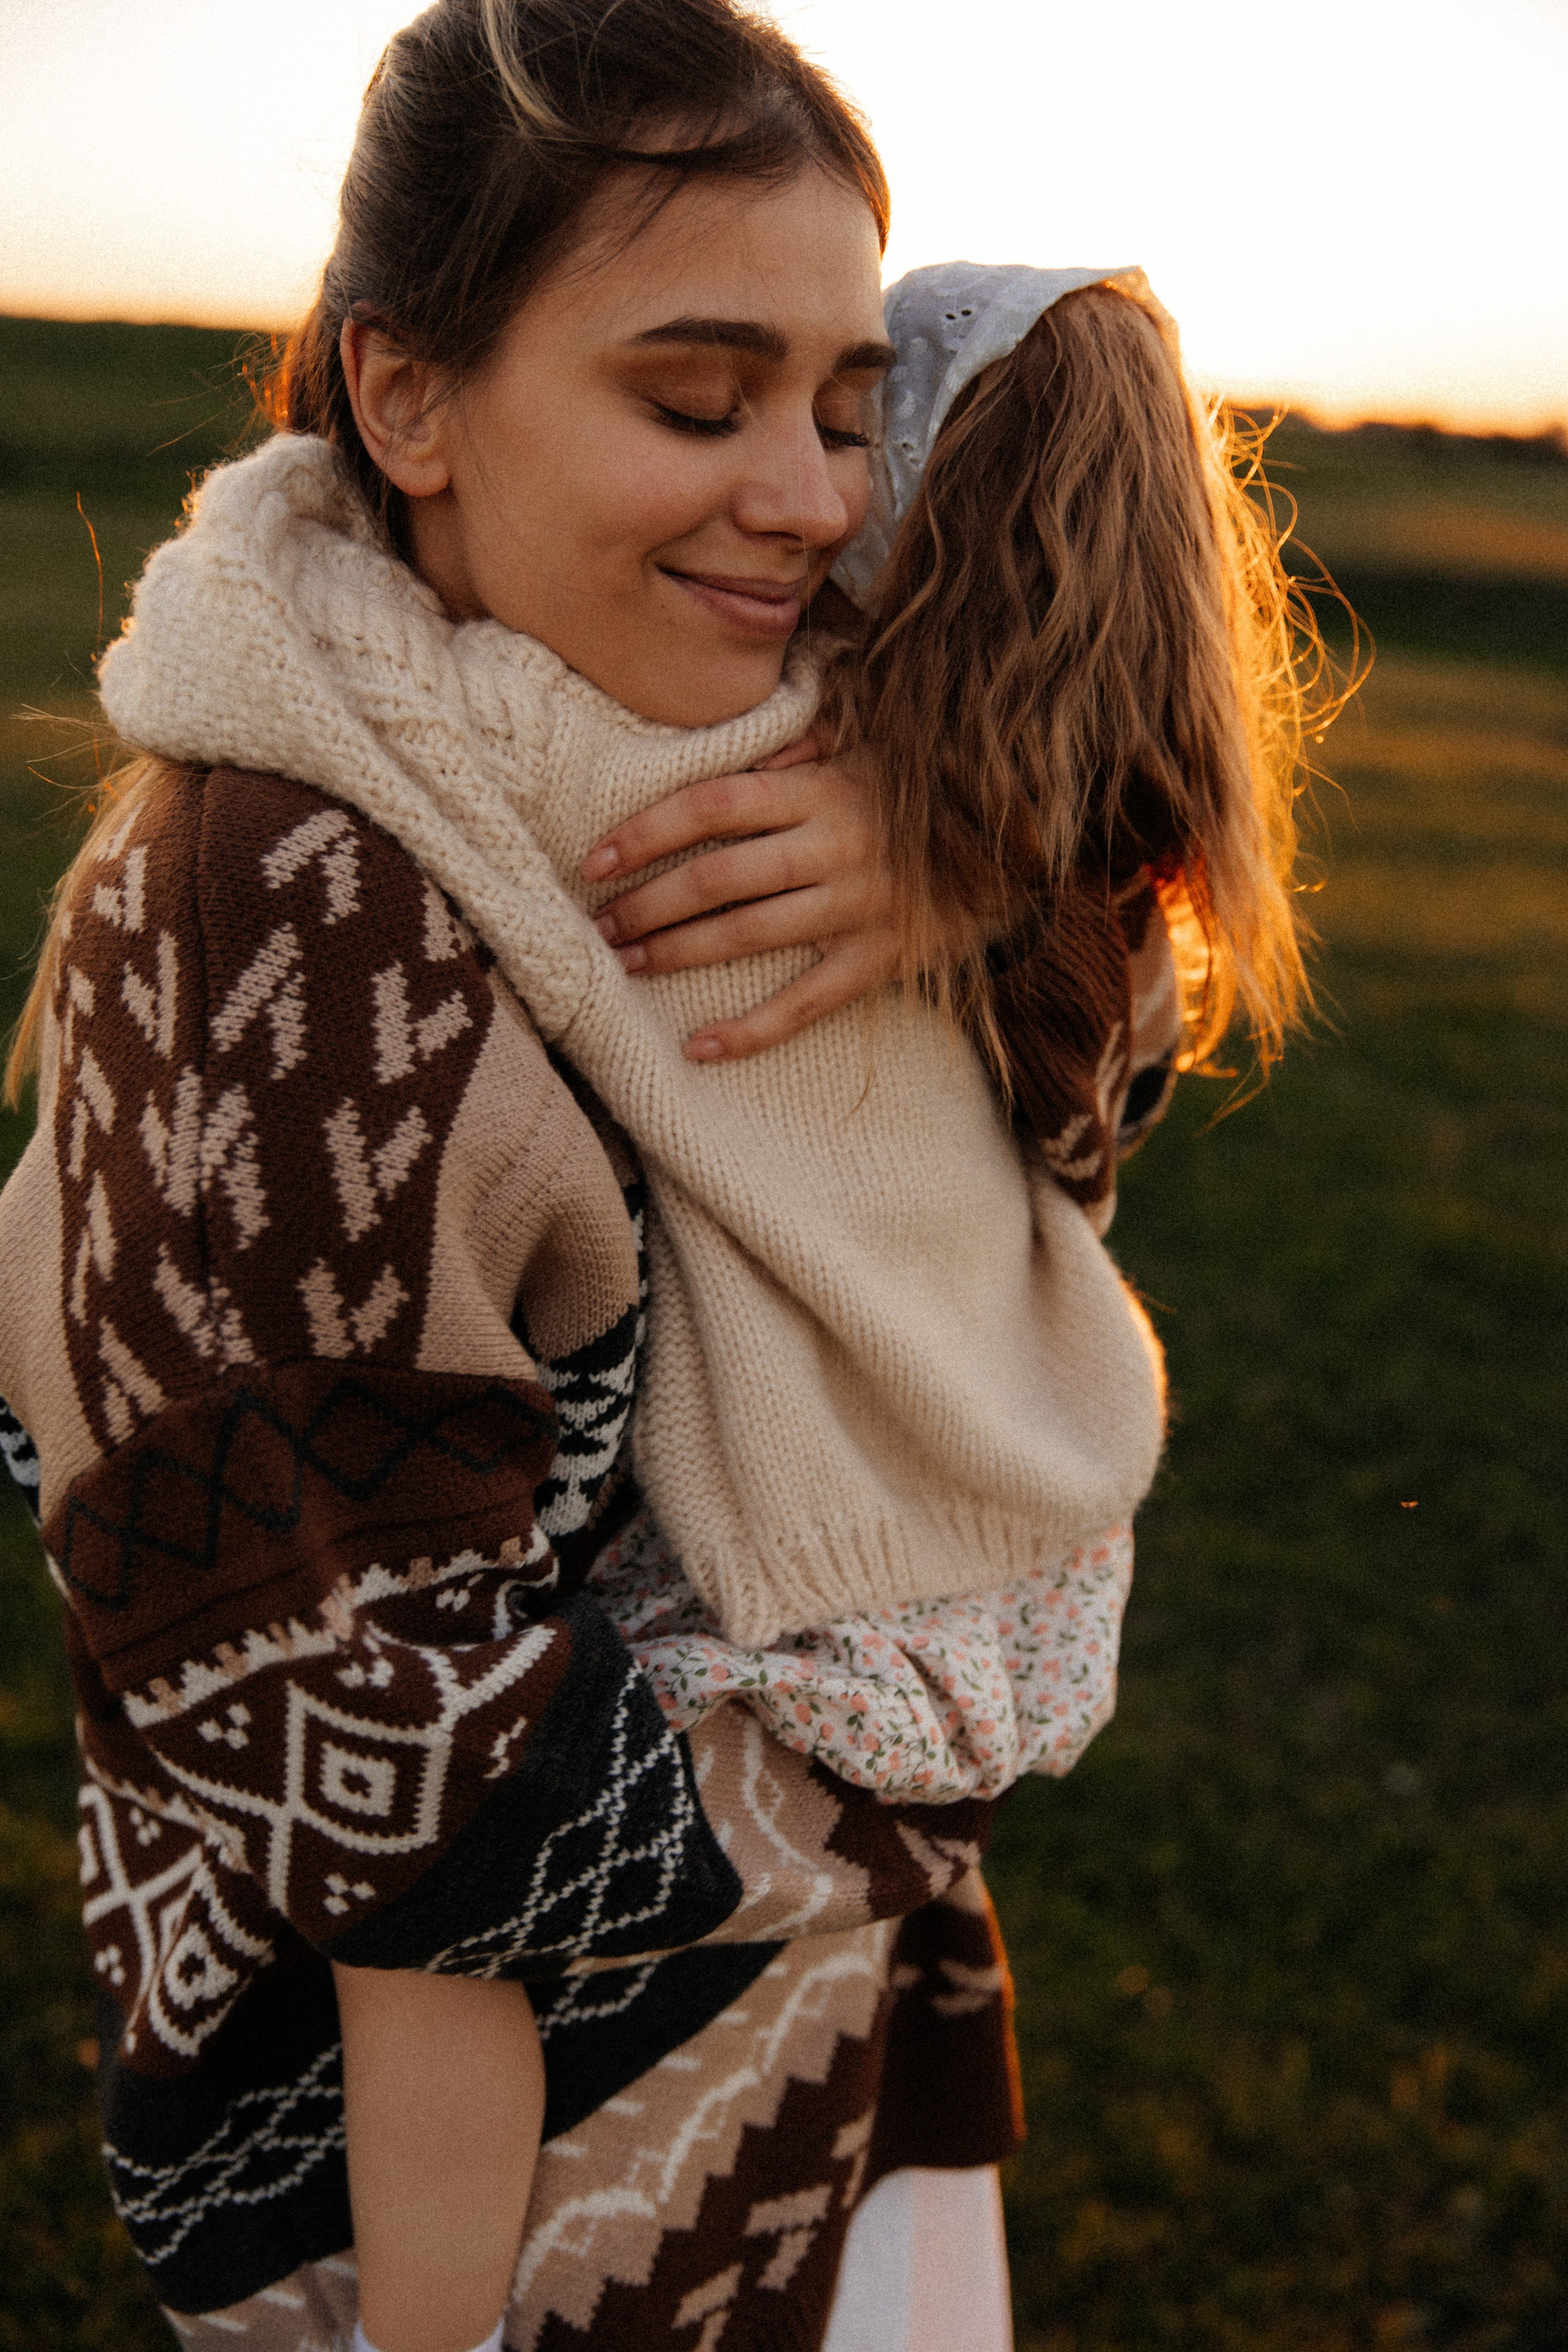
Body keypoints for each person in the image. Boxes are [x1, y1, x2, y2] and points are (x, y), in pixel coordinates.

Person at [0, 5, 1331, 2350]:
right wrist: (893, 1774)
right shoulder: (288, 900)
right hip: (523, 2203)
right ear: (405, 396)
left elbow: (1085, 1099)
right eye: (698, 404)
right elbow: (369, 1768)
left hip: (850, 2077)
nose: (810, 501)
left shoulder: (786, 759)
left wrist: (977, 841)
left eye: (842, 406)